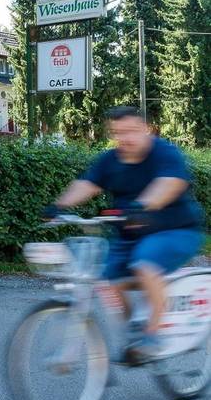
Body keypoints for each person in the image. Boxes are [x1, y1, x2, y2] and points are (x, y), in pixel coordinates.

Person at [43, 106, 206, 359]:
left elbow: (169, 183)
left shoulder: (164, 152)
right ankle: (136, 331)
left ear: (146, 129)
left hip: (175, 230)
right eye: (118, 133)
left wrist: (142, 205)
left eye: (131, 131)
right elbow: (87, 184)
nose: (124, 138)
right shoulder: (111, 159)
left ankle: (152, 337)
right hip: (130, 234)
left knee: (145, 264)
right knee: (108, 279)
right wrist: (59, 205)